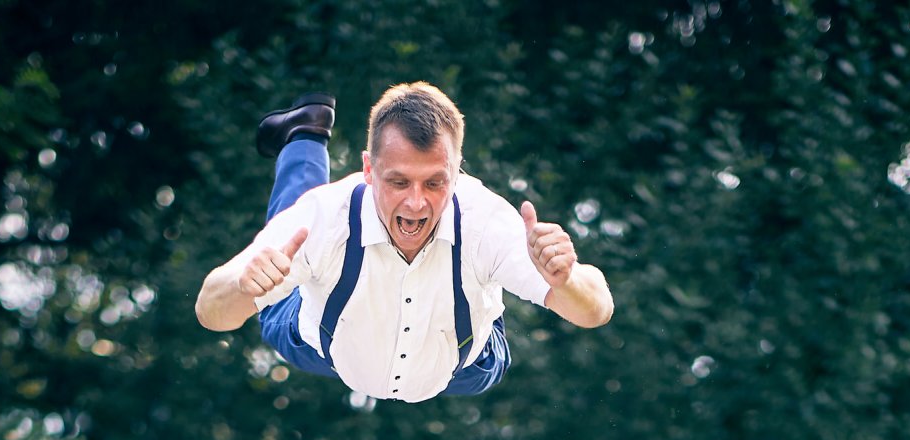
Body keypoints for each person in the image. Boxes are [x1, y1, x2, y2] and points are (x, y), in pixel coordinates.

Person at [196, 81, 613, 402]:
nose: (416, 204)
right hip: (321, 343)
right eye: (398, 182)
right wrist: (242, 287)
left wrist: (565, 279)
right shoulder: (324, 218)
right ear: (368, 169)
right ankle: (303, 135)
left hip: (465, 366)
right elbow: (210, 310)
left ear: (457, 171)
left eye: (434, 183)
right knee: (285, 256)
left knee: (488, 319)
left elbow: (596, 309)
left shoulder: (487, 222)